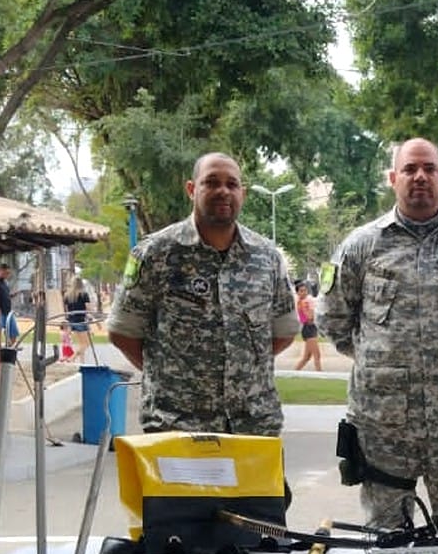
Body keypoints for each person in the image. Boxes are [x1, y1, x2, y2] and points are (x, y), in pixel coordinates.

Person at [317, 137, 438, 532]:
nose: (420, 176)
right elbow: (333, 320)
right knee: (386, 537)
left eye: (429, 169)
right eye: (409, 169)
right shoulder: (361, 247)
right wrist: (379, 360)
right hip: (383, 425)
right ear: (393, 178)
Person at [107, 152, 299, 435]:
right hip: (178, 427)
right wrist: (170, 378)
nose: (223, 191)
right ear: (191, 189)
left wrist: (242, 370)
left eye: (232, 184)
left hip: (254, 427)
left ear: (242, 193)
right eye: (211, 182)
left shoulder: (267, 257)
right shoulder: (155, 254)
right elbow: (123, 332)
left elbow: (283, 331)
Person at [293, 280, 322, 372]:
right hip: (309, 329)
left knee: (306, 357)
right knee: (317, 355)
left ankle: (294, 373)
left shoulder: (305, 301)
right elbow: (309, 317)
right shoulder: (302, 302)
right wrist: (312, 309)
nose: (304, 292)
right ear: (297, 293)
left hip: (311, 328)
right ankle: (320, 374)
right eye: (301, 291)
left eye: (305, 290)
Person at [63, 275, 91, 361]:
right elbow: (88, 308)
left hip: (72, 321)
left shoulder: (67, 295)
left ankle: (82, 362)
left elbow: (67, 310)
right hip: (81, 320)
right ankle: (72, 358)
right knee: (86, 344)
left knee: (81, 343)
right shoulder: (84, 294)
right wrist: (89, 316)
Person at [0, 263, 19, 346]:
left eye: (8, 273)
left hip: (8, 311)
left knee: (13, 333)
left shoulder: (4, 283)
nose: (7, 275)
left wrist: (11, 295)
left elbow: (5, 295)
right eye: (6, 273)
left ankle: (8, 348)